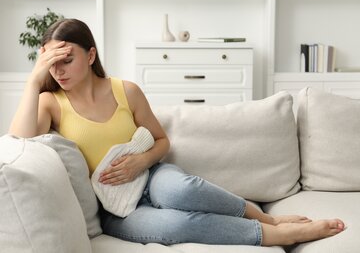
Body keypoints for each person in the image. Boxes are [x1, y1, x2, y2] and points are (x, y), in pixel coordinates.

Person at [9, 18, 345, 246]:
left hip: (152, 176)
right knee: (178, 226)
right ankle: (276, 235)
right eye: (51, 62)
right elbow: (19, 143)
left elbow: (161, 140)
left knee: (181, 191)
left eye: (66, 59)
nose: (59, 69)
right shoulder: (49, 102)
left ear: (91, 54)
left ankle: (267, 218)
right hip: (115, 208)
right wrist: (34, 80)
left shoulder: (126, 90)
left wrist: (141, 162)